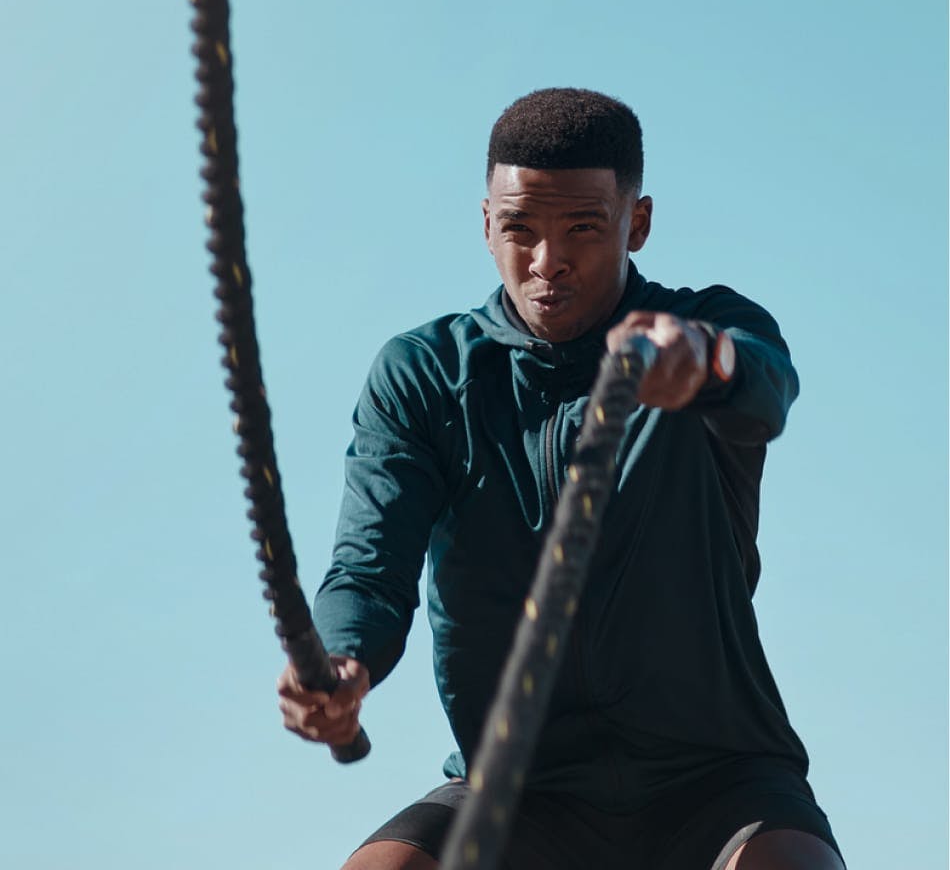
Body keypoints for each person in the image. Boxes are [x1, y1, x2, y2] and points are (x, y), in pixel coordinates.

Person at [277, 88, 846, 870]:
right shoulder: (424, 375)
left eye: (582, 227)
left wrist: (705, 366)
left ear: (636, 223)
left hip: (719, 786)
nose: (547, 263)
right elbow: (369, 569)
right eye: (519, 230)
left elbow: (762, 386)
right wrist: (341, 659)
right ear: (485, 225)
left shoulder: (708, 326)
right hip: (516, 795)